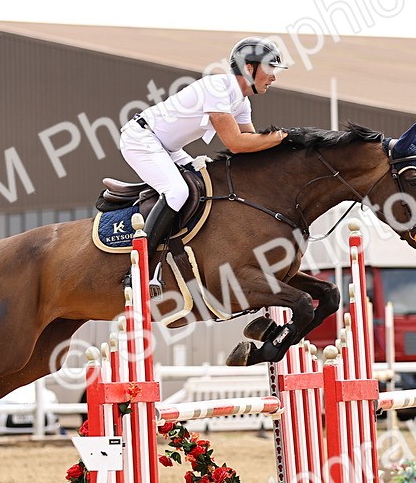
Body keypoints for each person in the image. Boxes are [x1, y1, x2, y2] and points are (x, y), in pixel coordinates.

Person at [119, 37, 290, 292]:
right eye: (270, 68)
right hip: (141, 138)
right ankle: (138, 269)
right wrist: (281, 137)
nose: (274, 77)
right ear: (249, 68)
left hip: (169, 148)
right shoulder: (218, 88)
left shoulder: (242, 103)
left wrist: (285, 150)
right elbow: (236, 143)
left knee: (206, 188)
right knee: (178, 192)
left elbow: (252, 148)